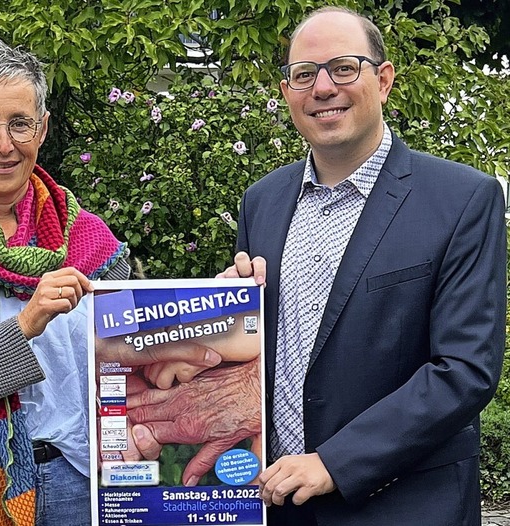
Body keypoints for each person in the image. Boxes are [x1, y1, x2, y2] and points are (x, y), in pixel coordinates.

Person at [139, 6, 507, 525]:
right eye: (304, 74)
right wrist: (226, 315)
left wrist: (335, 463)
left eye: (343, 68)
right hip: (275, 504)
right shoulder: (262, 201)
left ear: (383, 80)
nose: (323, 87)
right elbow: (255, 355)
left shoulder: (462, 199)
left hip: (404, 505)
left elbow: (465, 370)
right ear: (287, 91)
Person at [0, 40, 217, 526]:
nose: (3, 143)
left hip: (88, 482)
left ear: (43, 128)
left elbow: (144, 345)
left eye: (19, 122)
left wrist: (223, 305)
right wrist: (22, 327)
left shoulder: (88, 239)